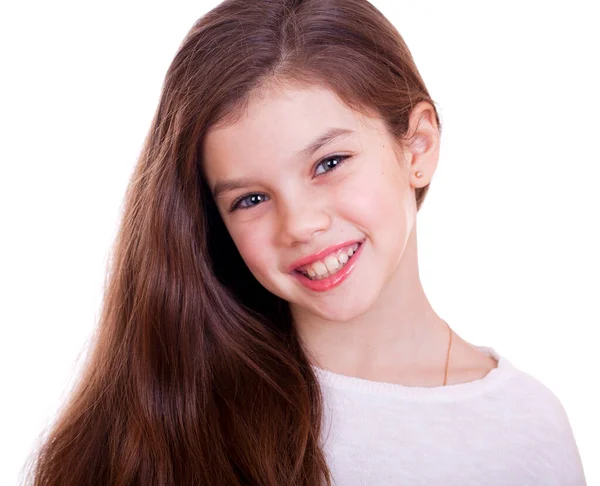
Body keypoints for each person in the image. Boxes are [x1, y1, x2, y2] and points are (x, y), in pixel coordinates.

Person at [25, 0, 586, 484]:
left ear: (417, 147)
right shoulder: (162, 420)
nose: (298, 224)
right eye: (250, 199)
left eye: (329, 163)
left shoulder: (525, 430)